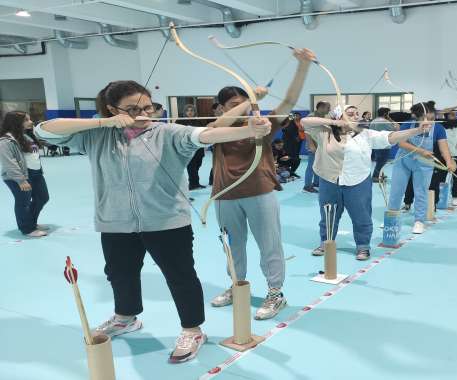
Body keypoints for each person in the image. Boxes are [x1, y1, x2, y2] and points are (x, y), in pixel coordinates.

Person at [35, 80, 272, 363]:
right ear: (112, 110)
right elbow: (44, 130)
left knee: (180, 276)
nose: (145, 113)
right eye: (134, 109)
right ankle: (126, 317)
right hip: (115, 221)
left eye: (149, 106)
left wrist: (250, 129)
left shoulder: (167, 133)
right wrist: (102, 124)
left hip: (166, 221)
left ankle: (192, 329)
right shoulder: (96, 136)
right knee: (120, 273)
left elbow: (205, 135)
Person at [209, 48, 315, 320]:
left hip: (259, 193)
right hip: (224, 195)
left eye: (245, 103)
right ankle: (237, 286)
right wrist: (249, 101)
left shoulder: (264, 125)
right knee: (232, 246)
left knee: (270, 244)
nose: (241, 108)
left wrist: (302, 65)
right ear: (222, 108)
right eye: (233, 105)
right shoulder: (217, 127)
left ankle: (275, 292)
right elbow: (212, 131)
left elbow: (290, 99)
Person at [302, 104, 429, 260]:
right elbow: (305, 122)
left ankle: (363, 246)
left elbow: (390, 137)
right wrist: (335, 123)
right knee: (329, 214)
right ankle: (325, 243)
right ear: (338, 117)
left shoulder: (366, 134)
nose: (357, 116)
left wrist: (417, 130)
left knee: (361, 216)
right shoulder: (324, 132)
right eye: (351, 114)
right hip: (329, 180)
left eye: (357, 114)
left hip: (358, 182)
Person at [387, 101, 456, 234]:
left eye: (431, 119)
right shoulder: (408, 124)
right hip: (404, 160)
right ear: (417, 118)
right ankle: (391, 219)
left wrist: (449, 161)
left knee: (421, 191)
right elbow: (400, 143)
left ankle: (419, 221)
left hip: (424, 163)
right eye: (425, 119)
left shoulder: (439, 129)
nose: (429, 122)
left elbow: (444, 148)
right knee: (396, 190)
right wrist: (420, 151)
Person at [1, 111, 50, 237]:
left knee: (42, 197)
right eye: (26, 120)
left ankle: (31, 222)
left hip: (36, 173)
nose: (31, 122)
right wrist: (21, 180)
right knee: (23, 202)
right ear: (16, 123)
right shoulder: (6, 141)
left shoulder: (26, 135)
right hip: (19, 177)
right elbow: (9, 162)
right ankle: (27, 228)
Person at [303, 102, 330, 193]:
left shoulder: (322, 117)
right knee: (311, 166)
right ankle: (307, 186)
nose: (329, 110)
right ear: (321, 107)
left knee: (318, 165)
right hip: (314, 147)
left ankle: (316, 183)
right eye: (328, 108)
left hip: (320, 145)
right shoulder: (311, 117)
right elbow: (307, 132)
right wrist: (311, 145)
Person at [370, 107, 400, 182]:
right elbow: (397, 129)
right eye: (388, 113)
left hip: (375, 144)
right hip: (384, 145)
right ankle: (375, 177)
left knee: (379, 161)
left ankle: (379, 175)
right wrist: (391, 120)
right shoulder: (386, 122)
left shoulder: (373, 121)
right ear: (386, 114)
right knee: (381, 161)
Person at [183, 104, 208, 190]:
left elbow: (204, 133)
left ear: (194, 112)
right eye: (188, 111)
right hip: (188, 148)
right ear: (185, 112)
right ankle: (193, 184)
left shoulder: (199, 121)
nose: (189, 112)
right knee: (191, 166)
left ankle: (196, 183)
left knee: (198, 165)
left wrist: (205, 145)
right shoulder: (180, 121)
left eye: (191, 110)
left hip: (199, 148)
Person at [281, 112, 302, 179]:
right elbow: (284, 129)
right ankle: (285, 172)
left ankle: (292, 172)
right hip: (288, 143)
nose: (297, 117)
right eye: (295, 115)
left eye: (298, 116)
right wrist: (295, 137)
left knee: (296, 158)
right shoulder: (289, 122)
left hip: (297, 143)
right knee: (288, 157)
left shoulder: (301, 123)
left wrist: (299, 137)